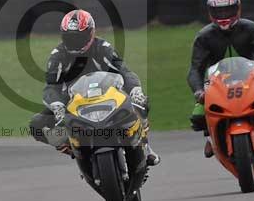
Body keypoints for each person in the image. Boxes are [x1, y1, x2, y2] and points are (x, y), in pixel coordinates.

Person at [29, 9, 160, 166]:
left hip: (108, 95)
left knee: (141, 104)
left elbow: (125, 72)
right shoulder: (57, 56)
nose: (74, 43)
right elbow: (51, 87)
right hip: (73, 101)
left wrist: (135, 91)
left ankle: (145, 145)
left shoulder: (103, 47)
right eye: (69, 38)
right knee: (37, 125)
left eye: (79, 37)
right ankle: (70, 145)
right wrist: (57, 106)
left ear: (91, 33)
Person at [188, 0, 254, 158]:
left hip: (251, 79)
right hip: (217, 84)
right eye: (219, 11)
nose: (224, 16)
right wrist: (198, 91)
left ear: (238, 8)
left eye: (228, 10)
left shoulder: (250, 29)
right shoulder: (204, 37)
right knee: (197, 116)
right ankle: (212, 137)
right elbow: (195, 69)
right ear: (210, 12)